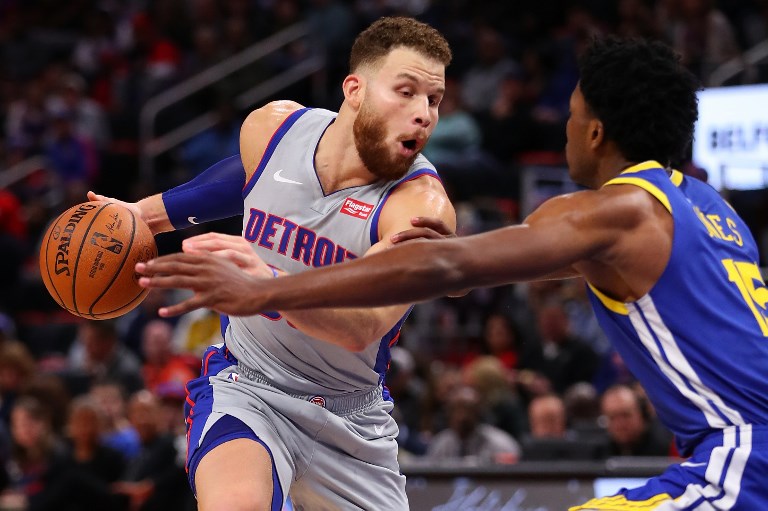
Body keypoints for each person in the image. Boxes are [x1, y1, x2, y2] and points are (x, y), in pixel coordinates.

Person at [140, 36, 768, 510]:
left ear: (598, 132)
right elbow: (471, 268)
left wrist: (265, 290)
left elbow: (448, 265)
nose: (565, 128)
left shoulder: (617, 211)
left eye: (573, 115)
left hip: (743, 461)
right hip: (253, 385)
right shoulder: (714, 211)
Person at [95, 16, 455, 510]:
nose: (423, 114)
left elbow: (361, 327)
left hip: (351, 418)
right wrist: (142, 216)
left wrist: (265, 286)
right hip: (249, 385)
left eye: (433, 100)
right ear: (354, 89)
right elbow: (247, 177)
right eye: (406, 91)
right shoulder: (273, 127)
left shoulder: (419, 209)